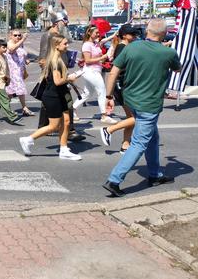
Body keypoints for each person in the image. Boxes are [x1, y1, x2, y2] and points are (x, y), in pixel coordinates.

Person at [102, 18, 181, 197]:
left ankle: (154, 174)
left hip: (131, 100)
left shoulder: (132, 47)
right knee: (139, 143)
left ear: (147, 31)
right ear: (164, 34)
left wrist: (108, 96)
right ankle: (114, 180)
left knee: (153, 137)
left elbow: (113, 71)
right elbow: (178, 69)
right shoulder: (167, 52)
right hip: (149, 104)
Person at [19, 35, 82, 160]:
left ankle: (64, 150)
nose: (67, 46)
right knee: (53, 126)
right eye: (65, 44)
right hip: (53, 96)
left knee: (67, 121)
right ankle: (28, 139)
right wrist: (70, 78)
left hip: (60, 94)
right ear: (57, 46)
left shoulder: (57, 59)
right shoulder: (55, 61)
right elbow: (57, 81)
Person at [100, 24, 139, 154]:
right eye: (132, 34)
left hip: (124, 85)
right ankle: (109, 130)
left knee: (130, 118)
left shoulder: (125, 47)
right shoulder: (123, 48)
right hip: (122, 86)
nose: (135, 36)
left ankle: (125, 145)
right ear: (124, 35)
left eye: (135, 34)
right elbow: (117, 69)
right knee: (137, 118)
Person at [72, 25, 116, 124]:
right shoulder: (87, 45)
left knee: (87, 93)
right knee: (102, 91)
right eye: (96, 33)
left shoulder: (95, 43)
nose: (98, 34)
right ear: (89, 33)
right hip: (90, 71)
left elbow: (104, 40)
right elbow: (87, 60)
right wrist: (102, 58)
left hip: (96, 71)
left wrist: (114, 35)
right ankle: (104, 115)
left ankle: (72, 109)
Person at [168, 0, 198, 96]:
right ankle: (176, 85)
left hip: (183, 12)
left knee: (183, 47)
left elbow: (175, 0)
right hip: (192, 11)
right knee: (185, 49)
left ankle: (173, 85)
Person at [5, 30, 34, 116]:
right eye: (15, 35)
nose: (17, 37)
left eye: (19, 35)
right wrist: (23, 39)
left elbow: (21, 54)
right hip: (12, 72)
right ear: (11, 36)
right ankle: (24, 108)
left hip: (19, 71)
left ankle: (5, 107)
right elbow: (12, 49)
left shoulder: (20, 44)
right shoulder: (9, 43)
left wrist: (26, 60)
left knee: (10, 92)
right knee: (18, 90)